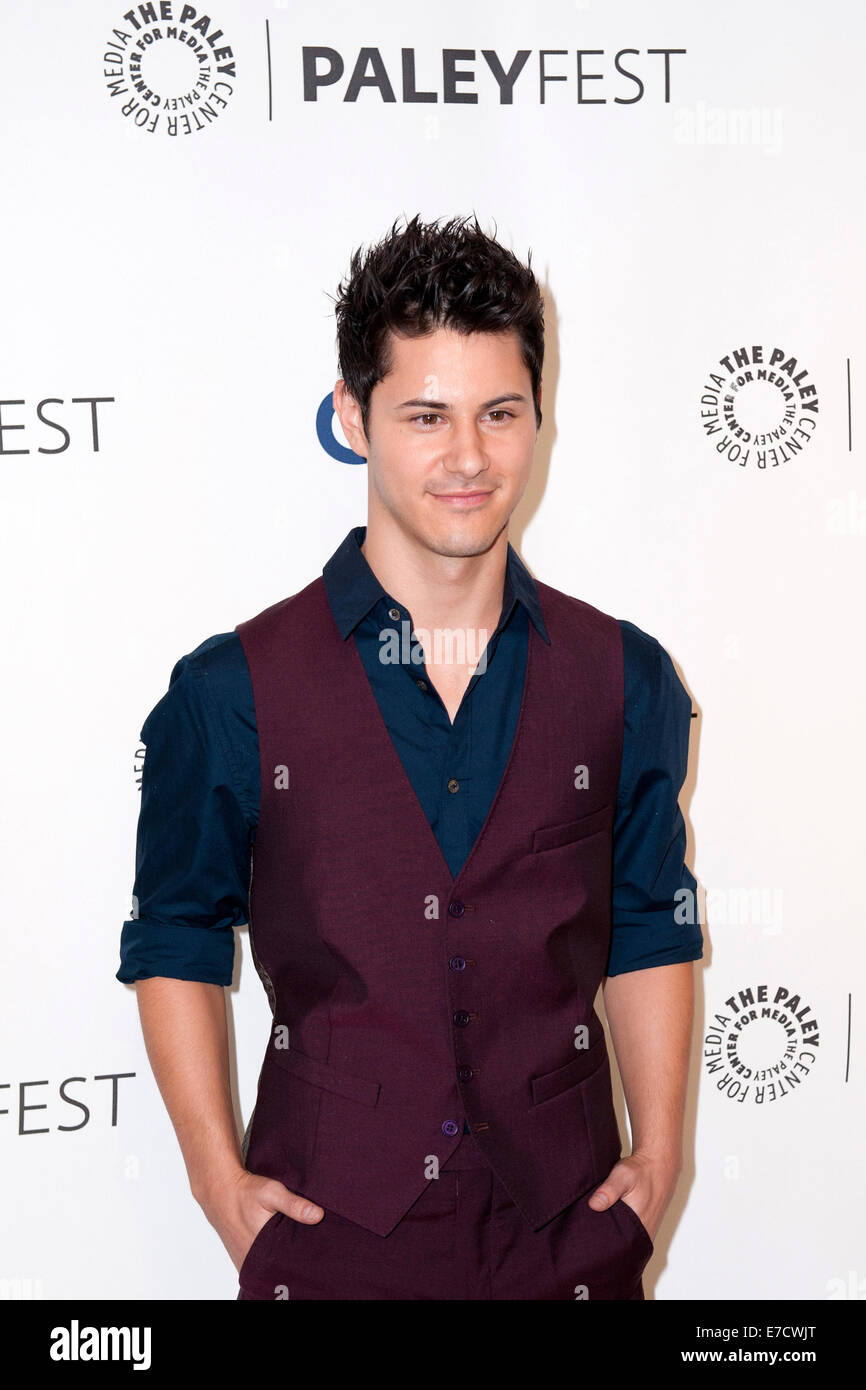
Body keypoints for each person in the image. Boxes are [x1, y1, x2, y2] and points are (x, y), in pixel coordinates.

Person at [117, 212, 703, 1300]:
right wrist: (216, 1183)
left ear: (539, 415)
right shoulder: (231, 691)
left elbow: (647, 918)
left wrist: (660, 1155)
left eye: (499, 413)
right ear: (353, 416)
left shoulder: (623, 676)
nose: (468, 457)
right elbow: (175, 933)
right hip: (327, 1239)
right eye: (426, 416)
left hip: (570, 1239)